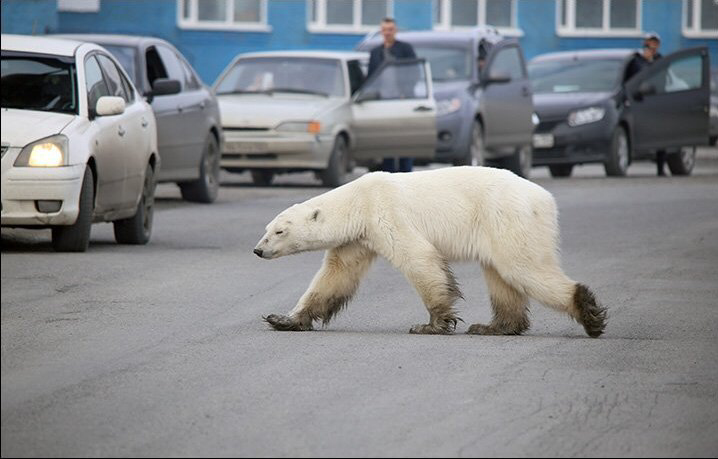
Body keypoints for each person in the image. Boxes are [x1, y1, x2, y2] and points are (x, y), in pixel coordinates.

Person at [368, 17, 417, 173]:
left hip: (403, 102)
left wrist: (405, 93)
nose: (387, 33)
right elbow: (371, 77)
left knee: (405, 142)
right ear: (381, 31)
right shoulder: (376, 53)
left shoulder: (405, 49)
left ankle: (406, 174)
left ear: (395, 31)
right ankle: (388, 175)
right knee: (387, 142)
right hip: (383, 103)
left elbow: (414, 72)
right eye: (384, 30)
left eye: (390, 30)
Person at [625, 32, 667, 176]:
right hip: (639, 103)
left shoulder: (660, 60)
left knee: (661, 136)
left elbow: (663, 80)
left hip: (657, 102)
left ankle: (661, 168)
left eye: (655, 43)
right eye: (649, 43)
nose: (652, 46)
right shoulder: (636, 60)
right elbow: (631, 81)